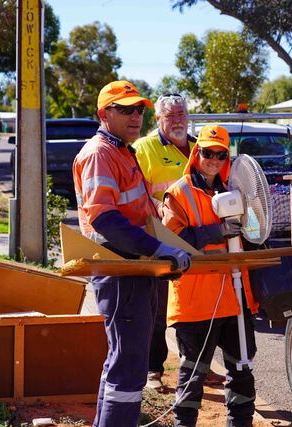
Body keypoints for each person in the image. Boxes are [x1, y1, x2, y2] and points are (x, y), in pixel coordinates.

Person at [72, 80, 191, 427]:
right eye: (125, 109)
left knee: (124, 363)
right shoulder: (100, 153)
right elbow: (105, 218)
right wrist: (159, 247)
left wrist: (165, 240)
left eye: (139, 109)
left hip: (136, 269)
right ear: (104, 113)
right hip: (121, 269)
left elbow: (138, 212)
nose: (135, 115)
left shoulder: (124, 150)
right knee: (128, 366)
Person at [161, 125, 259, 427]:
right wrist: (215, 232)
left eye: (220, 154)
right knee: (193, 375)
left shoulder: (238, 191)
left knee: (241, 372)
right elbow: (171, 241)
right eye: (208, 152)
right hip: (195, 301)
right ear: (196, 153)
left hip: (235, 297)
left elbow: (256, 232)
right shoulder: (179, 192)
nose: (214, 159)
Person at [132, 93, 196, 391]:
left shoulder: (200, 149)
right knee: (156, 310)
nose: (177, 120)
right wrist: (160, 211)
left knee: (192, 309)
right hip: (157, 241)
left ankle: (195, 367)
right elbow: (136, 192)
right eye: (170, 116)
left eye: (181, 114)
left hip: (195, 242)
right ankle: (153, 371)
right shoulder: (144, 148)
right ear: (158, 120)